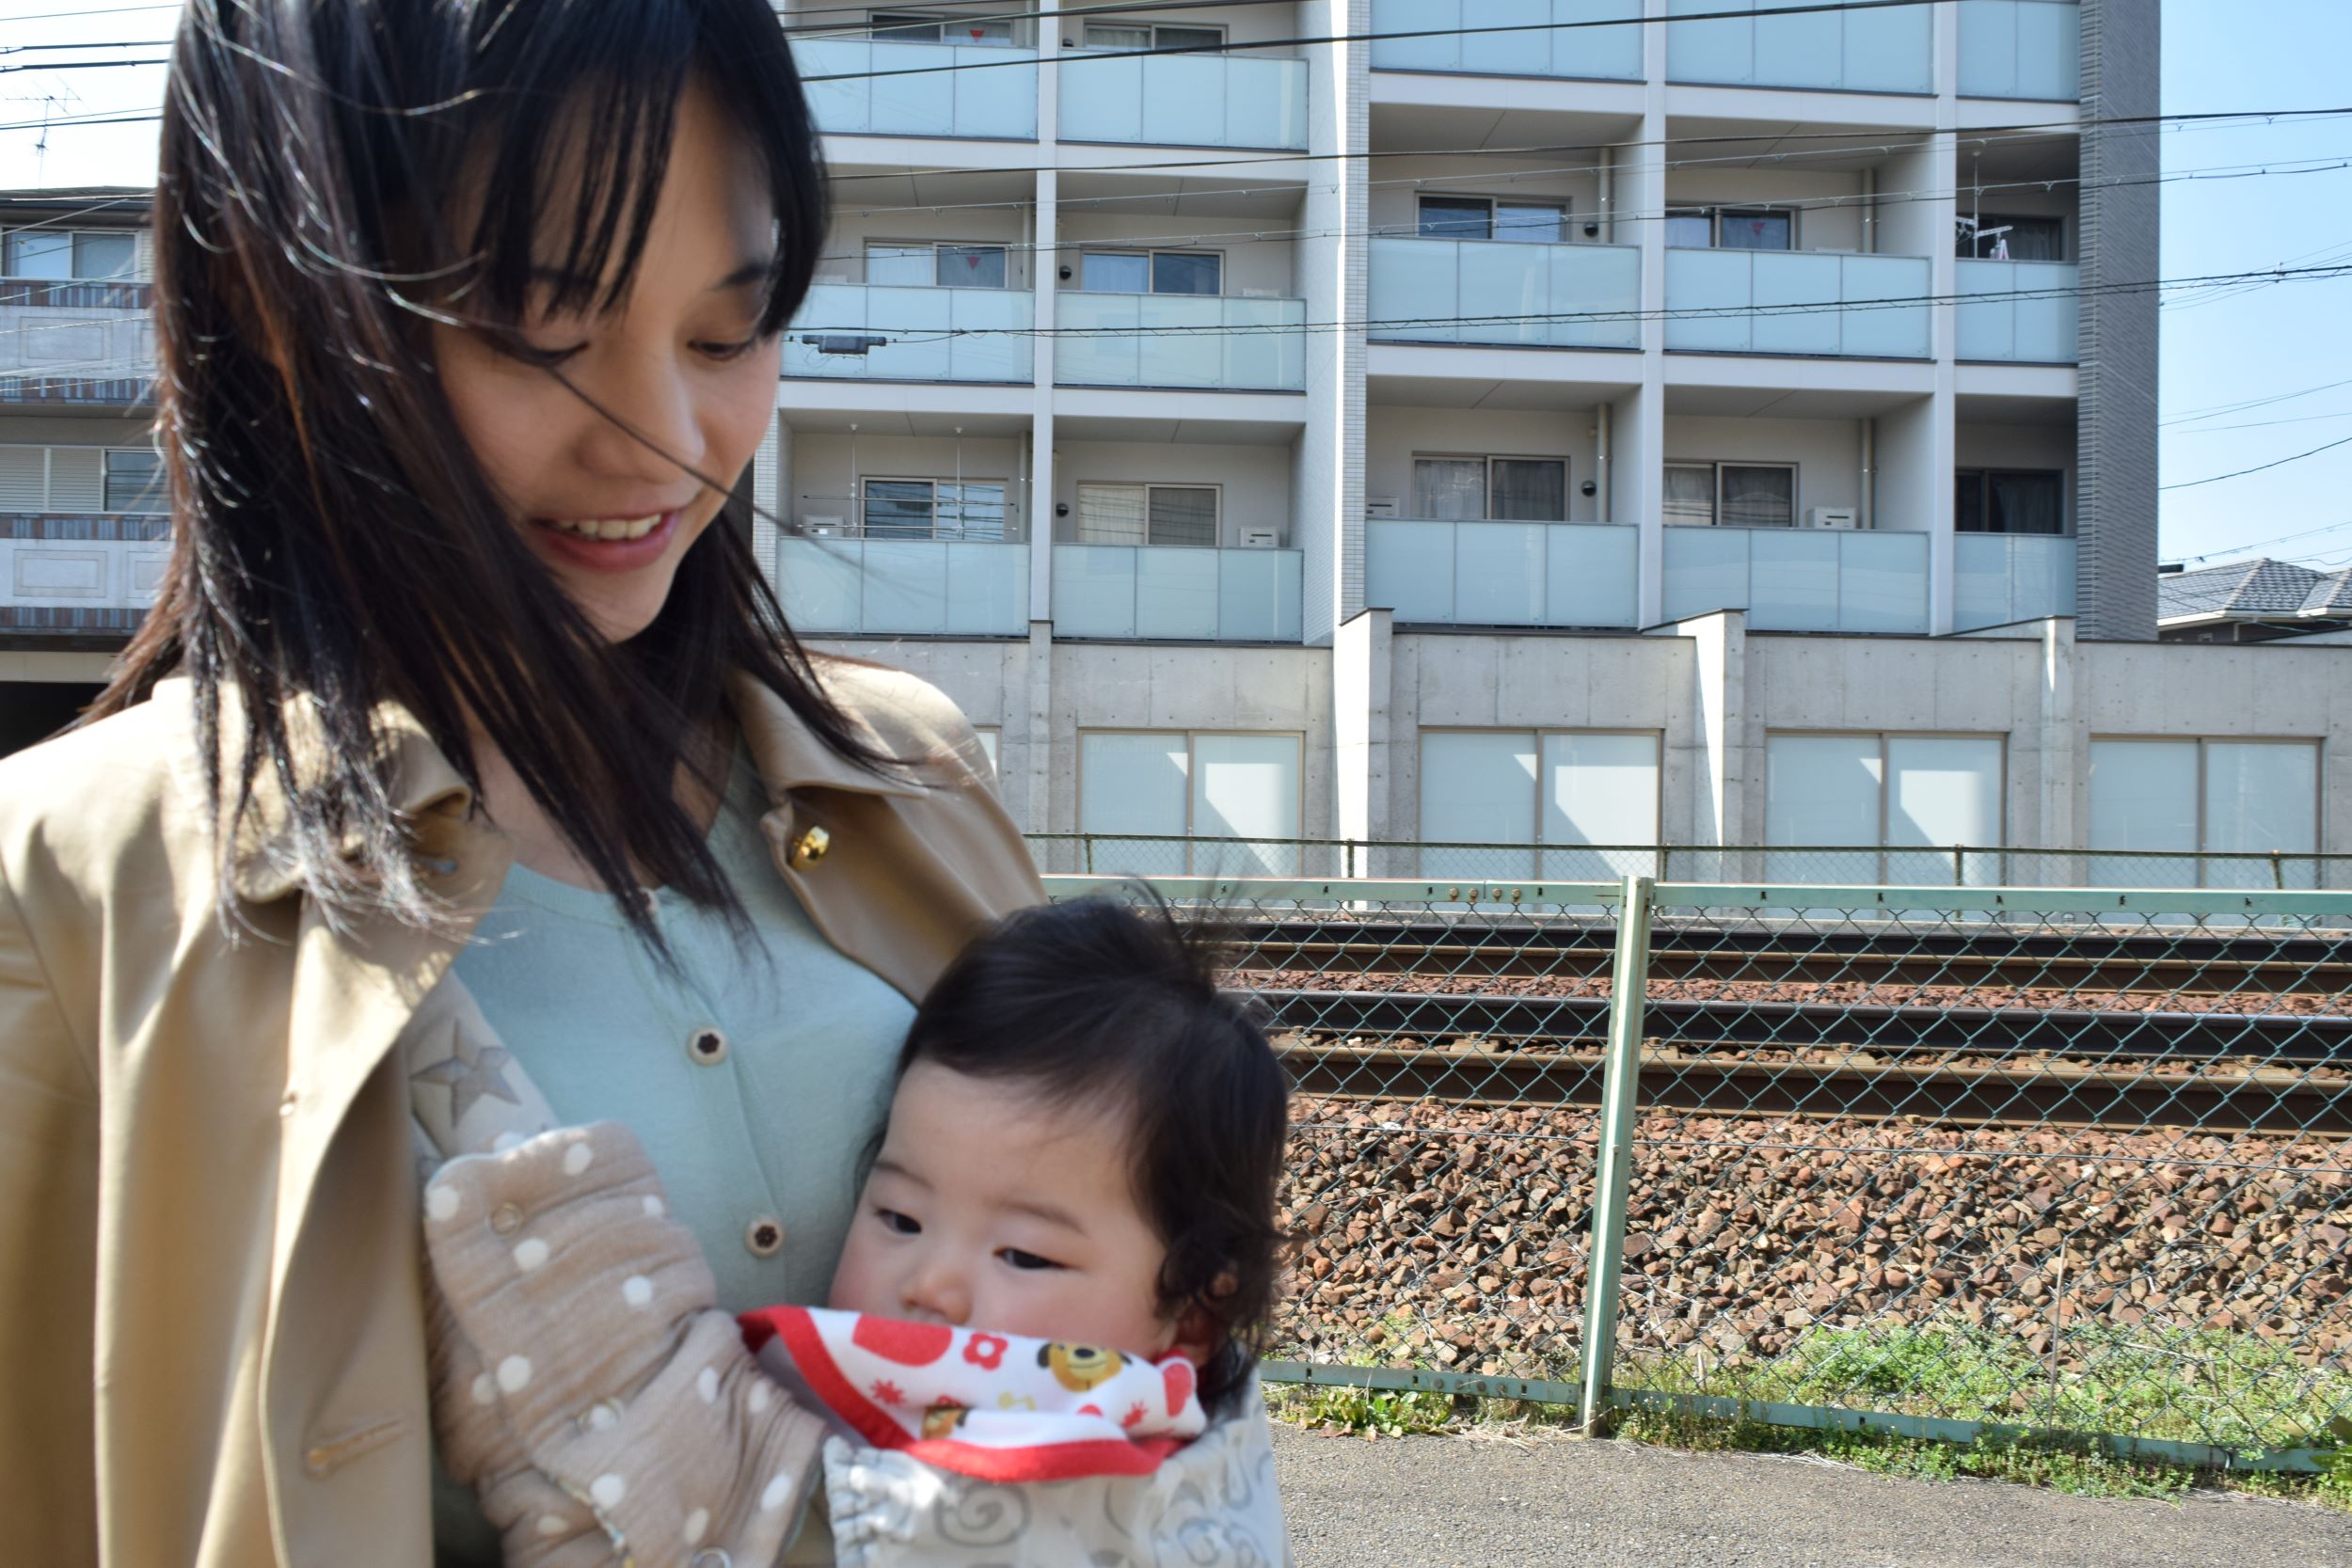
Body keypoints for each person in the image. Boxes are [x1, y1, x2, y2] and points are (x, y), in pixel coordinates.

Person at [0, 0, 1051, 1561]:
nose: (668, 441)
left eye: (728, 330)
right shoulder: (74, 882)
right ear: (279, 298)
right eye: (540, 334)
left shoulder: (909, 773)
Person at [421, 895, 1295, 1564]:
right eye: (899, 1216)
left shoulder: (1133, 1452)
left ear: (1192, 1311)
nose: (931, 1282)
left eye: (1024, 1253)